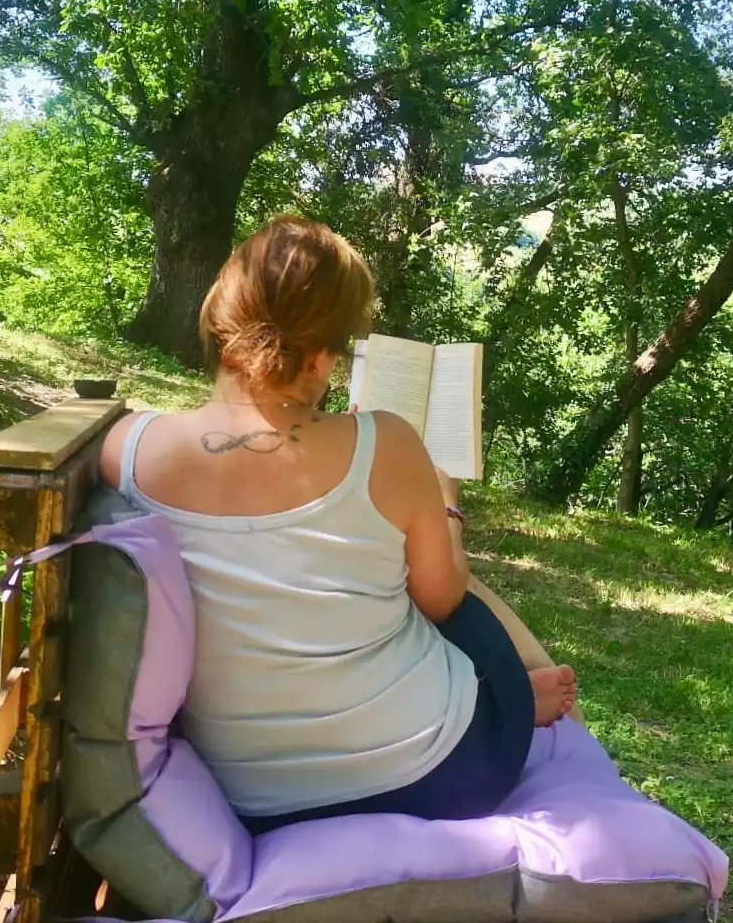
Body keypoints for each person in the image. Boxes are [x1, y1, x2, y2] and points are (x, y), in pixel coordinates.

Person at [100, 214, 577, 833]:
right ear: (324, 358)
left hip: (254, 797)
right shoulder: (389, 443)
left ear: (218, 321)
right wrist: (445, 503)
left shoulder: (127, 449)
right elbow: (441, 599)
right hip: (444, 773)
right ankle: (509, 698)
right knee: (448, 587)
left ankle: (509, 696)